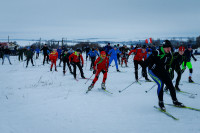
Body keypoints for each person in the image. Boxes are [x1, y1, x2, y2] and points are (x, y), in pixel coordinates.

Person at [144, 40, 184, 111]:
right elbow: (146, 63)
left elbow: (168, 64)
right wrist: (144, 72)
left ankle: (175, 101)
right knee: (161, 84)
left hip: (162, 70)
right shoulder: (156, 52)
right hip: (152, 71)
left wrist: (168, 72)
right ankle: (161, 102)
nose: (169, 49)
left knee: (170, 85)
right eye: (167, 48)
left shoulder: (170, 54)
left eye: (170, 47)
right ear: (163, 47)